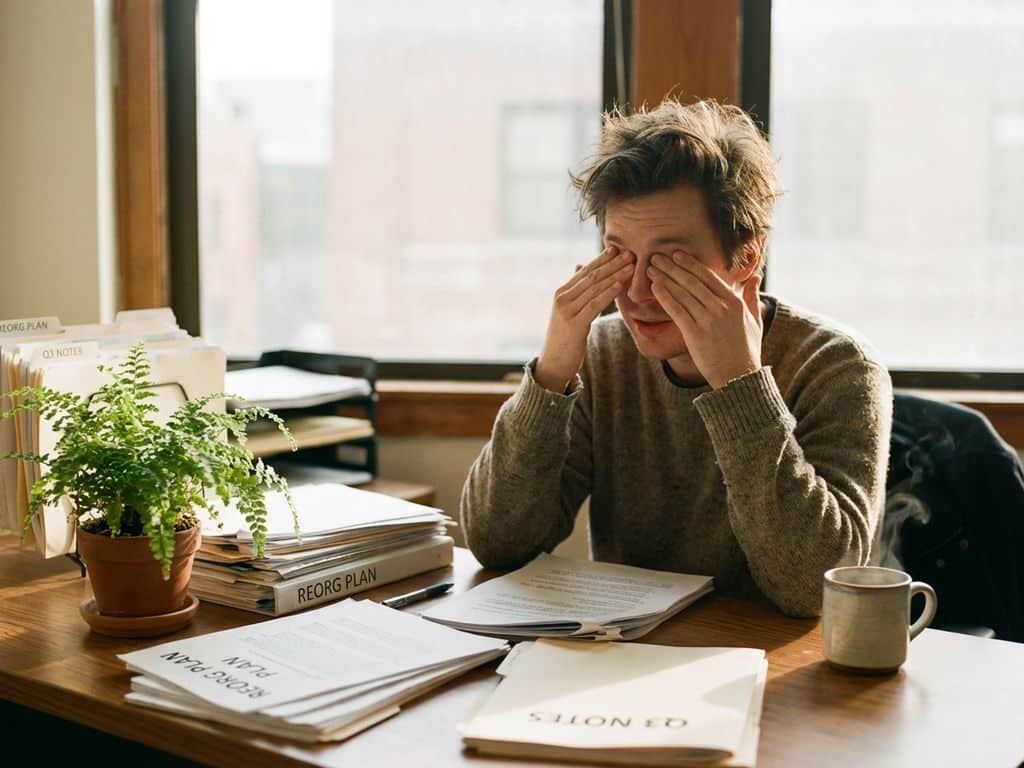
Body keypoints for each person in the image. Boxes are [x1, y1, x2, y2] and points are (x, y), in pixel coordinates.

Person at [460, 99, 893, 617]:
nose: (638, 290)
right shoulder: (602, 357)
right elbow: (497, 545)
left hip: (781, 675)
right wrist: (550, 378)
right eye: (619, 253)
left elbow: (814, 589)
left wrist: (740, 383)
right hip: (621, 663)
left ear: (747, 257)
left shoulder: (838, 367)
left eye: (670, 261)